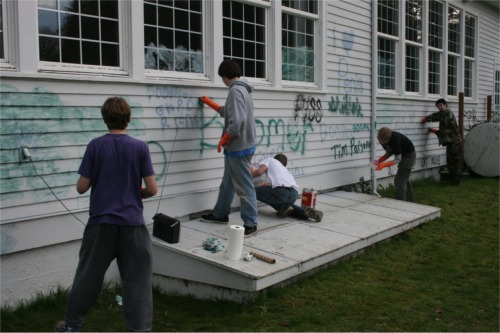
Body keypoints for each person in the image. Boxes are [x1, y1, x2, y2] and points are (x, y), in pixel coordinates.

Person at [55, 97, 158, 332]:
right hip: (133, 227)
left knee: (88, 278)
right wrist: (136, 193)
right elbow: (152, 189)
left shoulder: (95, 146)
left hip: (100, 225)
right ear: (128, 119)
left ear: (105, 119)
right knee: (138, 283)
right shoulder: (140, 147)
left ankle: (71, 327)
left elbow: (82, 186)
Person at [199, 59, 258, 236]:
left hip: (238, 148)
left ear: (225, 76)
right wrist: (210, 103)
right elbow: (230, 112)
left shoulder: (235, 91)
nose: (222, 81)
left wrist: (223, 139)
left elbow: (237, 122)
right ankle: (220, 214)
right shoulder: (243, 89)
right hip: (241, 146)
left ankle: (251, 223)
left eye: (221, 78)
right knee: (228, 183)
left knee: (244, 186)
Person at [252, 153, 323, 222]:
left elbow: (260, 171)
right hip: (294, 194)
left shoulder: (270, 160)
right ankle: (304, 213)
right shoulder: (285, 170)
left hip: (281, 192)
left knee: (252, 191)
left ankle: (284, 208)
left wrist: (248, 176)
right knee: (284, 206)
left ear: (275, 159)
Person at [421, 98, 462, 185]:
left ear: (445, 105)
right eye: (438, 106)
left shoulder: (448, 114)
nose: (439, 107)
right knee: (450, 161)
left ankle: (455, 181)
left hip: (454, 142)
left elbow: (441, 118)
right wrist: (433, 130)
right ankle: (453, 180)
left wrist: (427, 118)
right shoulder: (443, 114)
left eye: (440, 105)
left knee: (454, 162)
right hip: (451, 142)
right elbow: (443, 132)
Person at [374, 127, 416, 202]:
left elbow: (397, 159)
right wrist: (378, 161)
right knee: (404, 179)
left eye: (384, 141)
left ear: (389, 137)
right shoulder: (381, 138)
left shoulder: (395, 140)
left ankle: (400, 203)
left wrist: (383, 165)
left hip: (409, 155)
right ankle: (410, 201)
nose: (383, 143)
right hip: (402, 154)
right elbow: (390, 152)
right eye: (381, 141)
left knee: (399, 181)